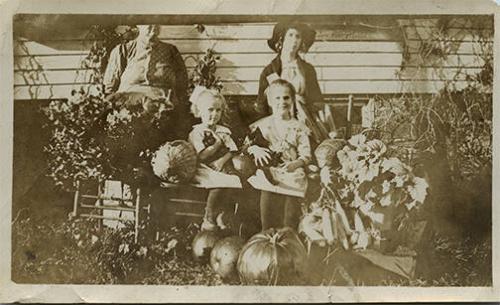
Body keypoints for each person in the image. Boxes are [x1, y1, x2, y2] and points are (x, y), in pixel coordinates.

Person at [103, 24, 193, 140]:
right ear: (138, 26)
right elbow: (110, 88)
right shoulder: (123, 50)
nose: (153, 27)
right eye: (148, 23)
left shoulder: (170, 51)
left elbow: (182, 84)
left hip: (163, 107)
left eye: (157, 24)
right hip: (130, 109)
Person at [248, 79, 312, 230]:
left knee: (290, 216)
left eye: (286, 97)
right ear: (270, 101)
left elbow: (306, 154)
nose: (282, 102)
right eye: (277, 98)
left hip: (291, 171)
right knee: (268, 208)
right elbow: (247, 145)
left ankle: (289, 238)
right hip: (270, 170)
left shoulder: (299, 127)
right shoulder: (262, 125)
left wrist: (295, 164)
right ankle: (266, 236)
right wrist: (254, 149)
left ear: (292, 100)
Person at [256, 21, 326, 144]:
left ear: (301, 41)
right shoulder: (269, 71)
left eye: (298, 36)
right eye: (291, 35)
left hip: (306, 117)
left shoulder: (308, 70)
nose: (294, 40)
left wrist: (302, 106)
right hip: (278, 118)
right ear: (281, 39)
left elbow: (317, 100)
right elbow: (262, 104)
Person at [188, 89, 241, 231]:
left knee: (235, 181)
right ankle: (209, 217)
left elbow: (233, 150)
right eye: (210, 110)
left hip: (221, 165)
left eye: (218, 110)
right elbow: (202, 156)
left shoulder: (224, 131)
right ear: (199, 111)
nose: (214, 114)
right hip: (203, 168)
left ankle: (222, 214)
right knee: (219, 183)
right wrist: (217, 144)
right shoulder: (197, 132)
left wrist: (222, 161)